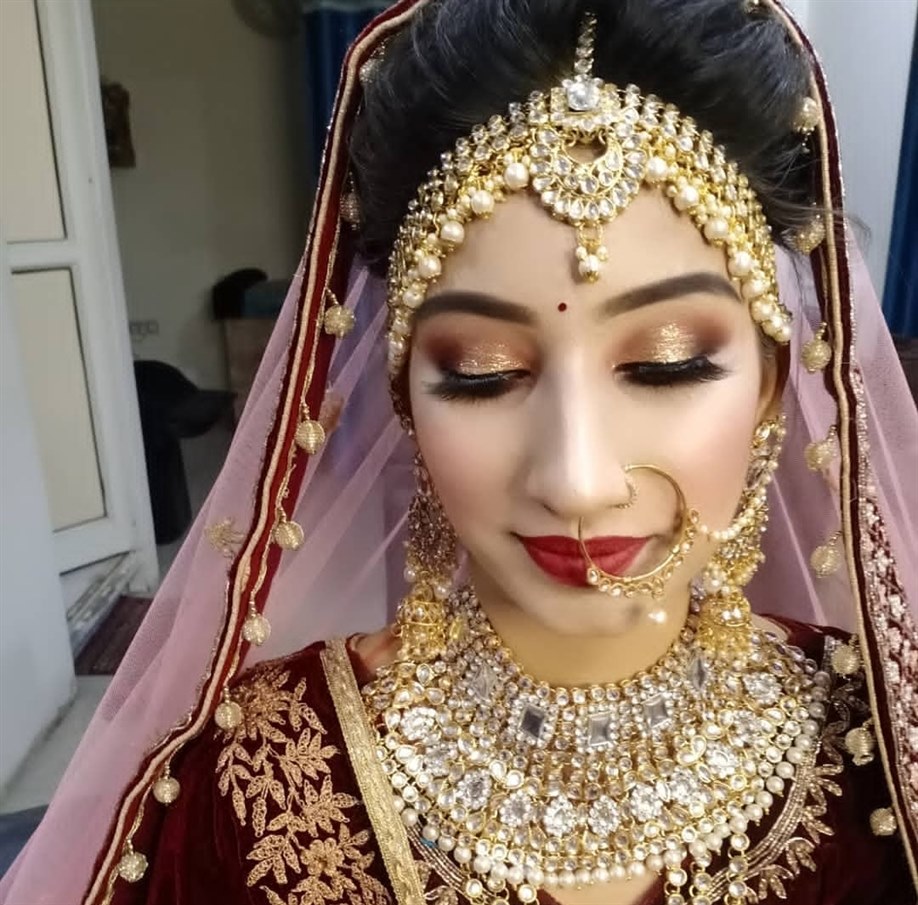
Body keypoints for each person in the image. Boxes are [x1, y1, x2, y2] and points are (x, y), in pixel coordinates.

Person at [2, 1, 916, 903]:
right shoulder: (254, 783)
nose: (577, 481)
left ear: (770, 383)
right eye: (482, 374)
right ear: (404, 398)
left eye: (665, 365)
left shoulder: (877, 750)